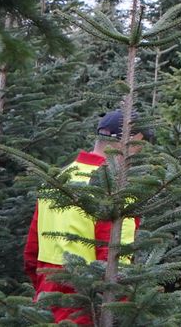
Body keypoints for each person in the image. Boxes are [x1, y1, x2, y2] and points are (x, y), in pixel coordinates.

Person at [23, 107, 150, 324]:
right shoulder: (117, 188)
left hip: (48, 295)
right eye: (140, 144)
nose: (140, 152)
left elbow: (32, 250)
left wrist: (44, 290)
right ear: (129, 141)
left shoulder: (58, 179)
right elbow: (115, 258)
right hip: (87, 303)